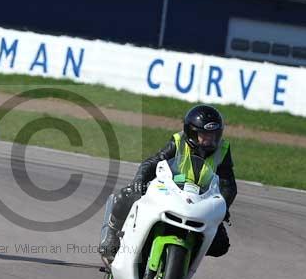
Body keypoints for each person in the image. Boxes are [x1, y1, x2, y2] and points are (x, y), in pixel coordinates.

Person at [99, 104, 236, 261]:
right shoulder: (179, 142)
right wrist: (140, 179)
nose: (210, 140)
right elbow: (153, 162)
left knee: (220, 244)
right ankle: (111, 237)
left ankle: (186, 255)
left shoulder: (222, 150)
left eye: (213, 135)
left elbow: (228, 184)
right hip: (170, 191)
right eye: (204, 135)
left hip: (200, 201)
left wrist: (223, 205)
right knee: (127, 195)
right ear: (192, 132)